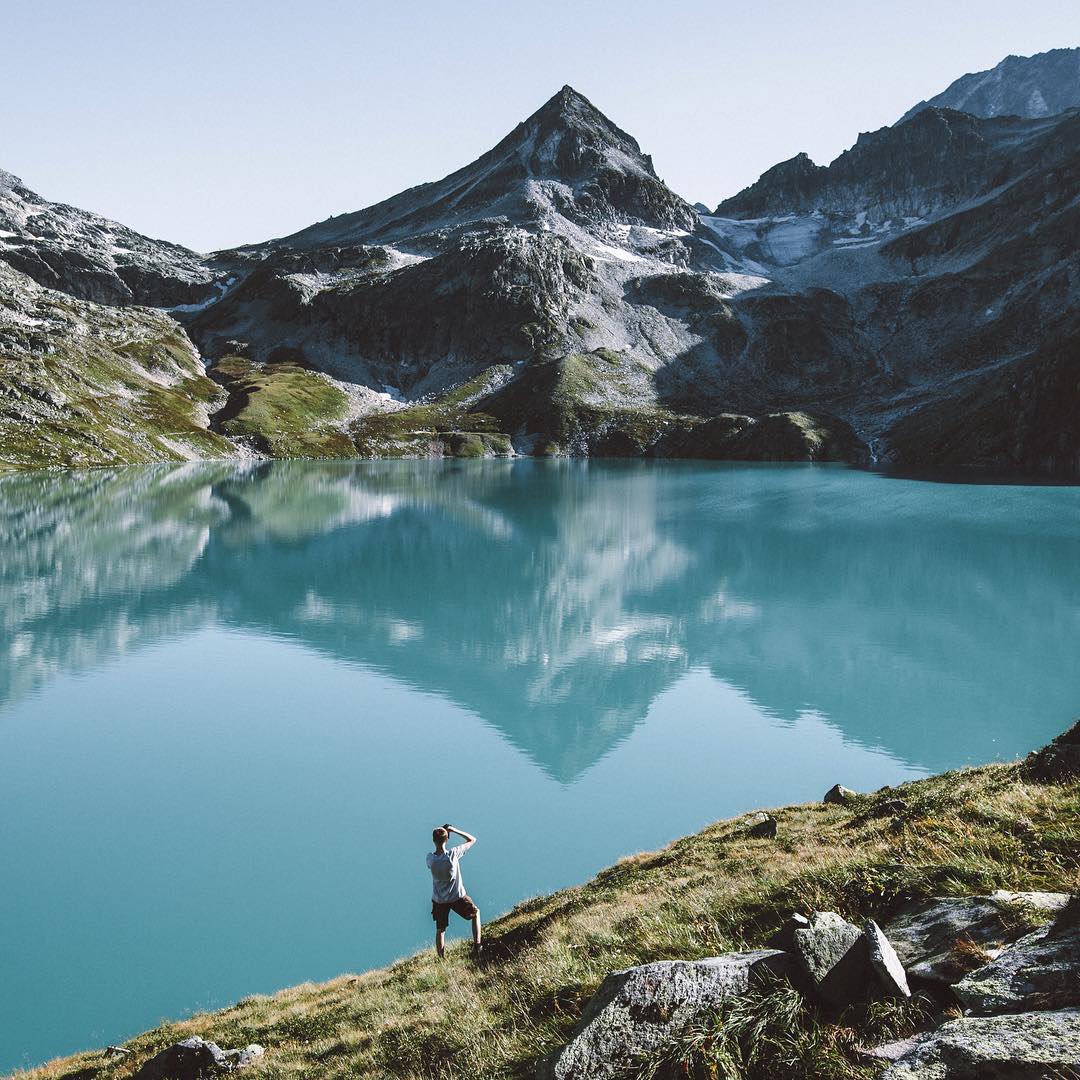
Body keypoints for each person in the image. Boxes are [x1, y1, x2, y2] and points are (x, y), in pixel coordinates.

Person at [426, 823, 481, 958]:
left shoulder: (430, 858)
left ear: (433, 840)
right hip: (457, 896)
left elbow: (434, 857)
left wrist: (443, 833)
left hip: (439, 900)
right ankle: (477, 945)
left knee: (440, 929)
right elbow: (472, 839)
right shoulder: (453, 854)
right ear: (447, 839)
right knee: (475, 913)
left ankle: (441, 958)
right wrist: (453, 830)